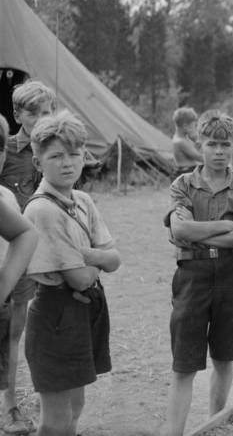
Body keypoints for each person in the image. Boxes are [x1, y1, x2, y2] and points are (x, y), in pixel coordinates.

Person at [162, 110, 233, 436]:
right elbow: (180, 231)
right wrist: (224, 225)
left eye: (226, 145)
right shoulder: (183, 185)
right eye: (211, 144)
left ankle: (213, 425)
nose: (219, 151)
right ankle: (173, 431)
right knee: (185, 361)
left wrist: (197, 231)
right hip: (192, 274)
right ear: (199, 145)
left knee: (224, 355)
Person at [23, 110, 121, 436]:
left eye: (75, 154)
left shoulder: (82, 200)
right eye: (56, 156)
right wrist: (99, 261)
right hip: (54, 315)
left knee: (76, 408)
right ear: (38, 163)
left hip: (85, 311)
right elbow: (79, 278)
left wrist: (86, 256)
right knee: (55, 419)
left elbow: (115, 258)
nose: (67, 163)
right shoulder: (42, 209)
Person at [0, 79, 54, 435]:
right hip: (13, 254)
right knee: (11, 334)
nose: (41, 119)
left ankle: (46, 398)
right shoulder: (6, 149)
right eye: (33, 112)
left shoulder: (55, 149)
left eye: (47, 111)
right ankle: (11, 408)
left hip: (45, 253)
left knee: (40, 327)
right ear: (18, 114)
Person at [0, 117, 39, 436]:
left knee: (13, 334)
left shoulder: (3, 198)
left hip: (12, 279)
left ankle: (9, 404)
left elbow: (25, 233)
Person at [172, 107, 203, 177]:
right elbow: (199, 157)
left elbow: (196, 150)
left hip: (189, 171)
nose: (195, 128)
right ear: (185, 126)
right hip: (186, 173)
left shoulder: (184, 138)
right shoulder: (180, 141)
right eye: (194, 126)